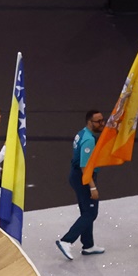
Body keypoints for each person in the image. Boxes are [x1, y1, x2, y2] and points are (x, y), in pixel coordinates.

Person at [57, 111, 107, 259]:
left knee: (86, 211)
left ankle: (88, 244)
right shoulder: (89, 140)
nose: (102, 124)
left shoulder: (82, 133)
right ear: (90, 122)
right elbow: (85, 167)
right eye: (98, 121)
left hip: (77, 175)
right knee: (91, 213)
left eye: (102, 120)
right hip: (83, 177)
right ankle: (66, 241)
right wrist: (92, 187)